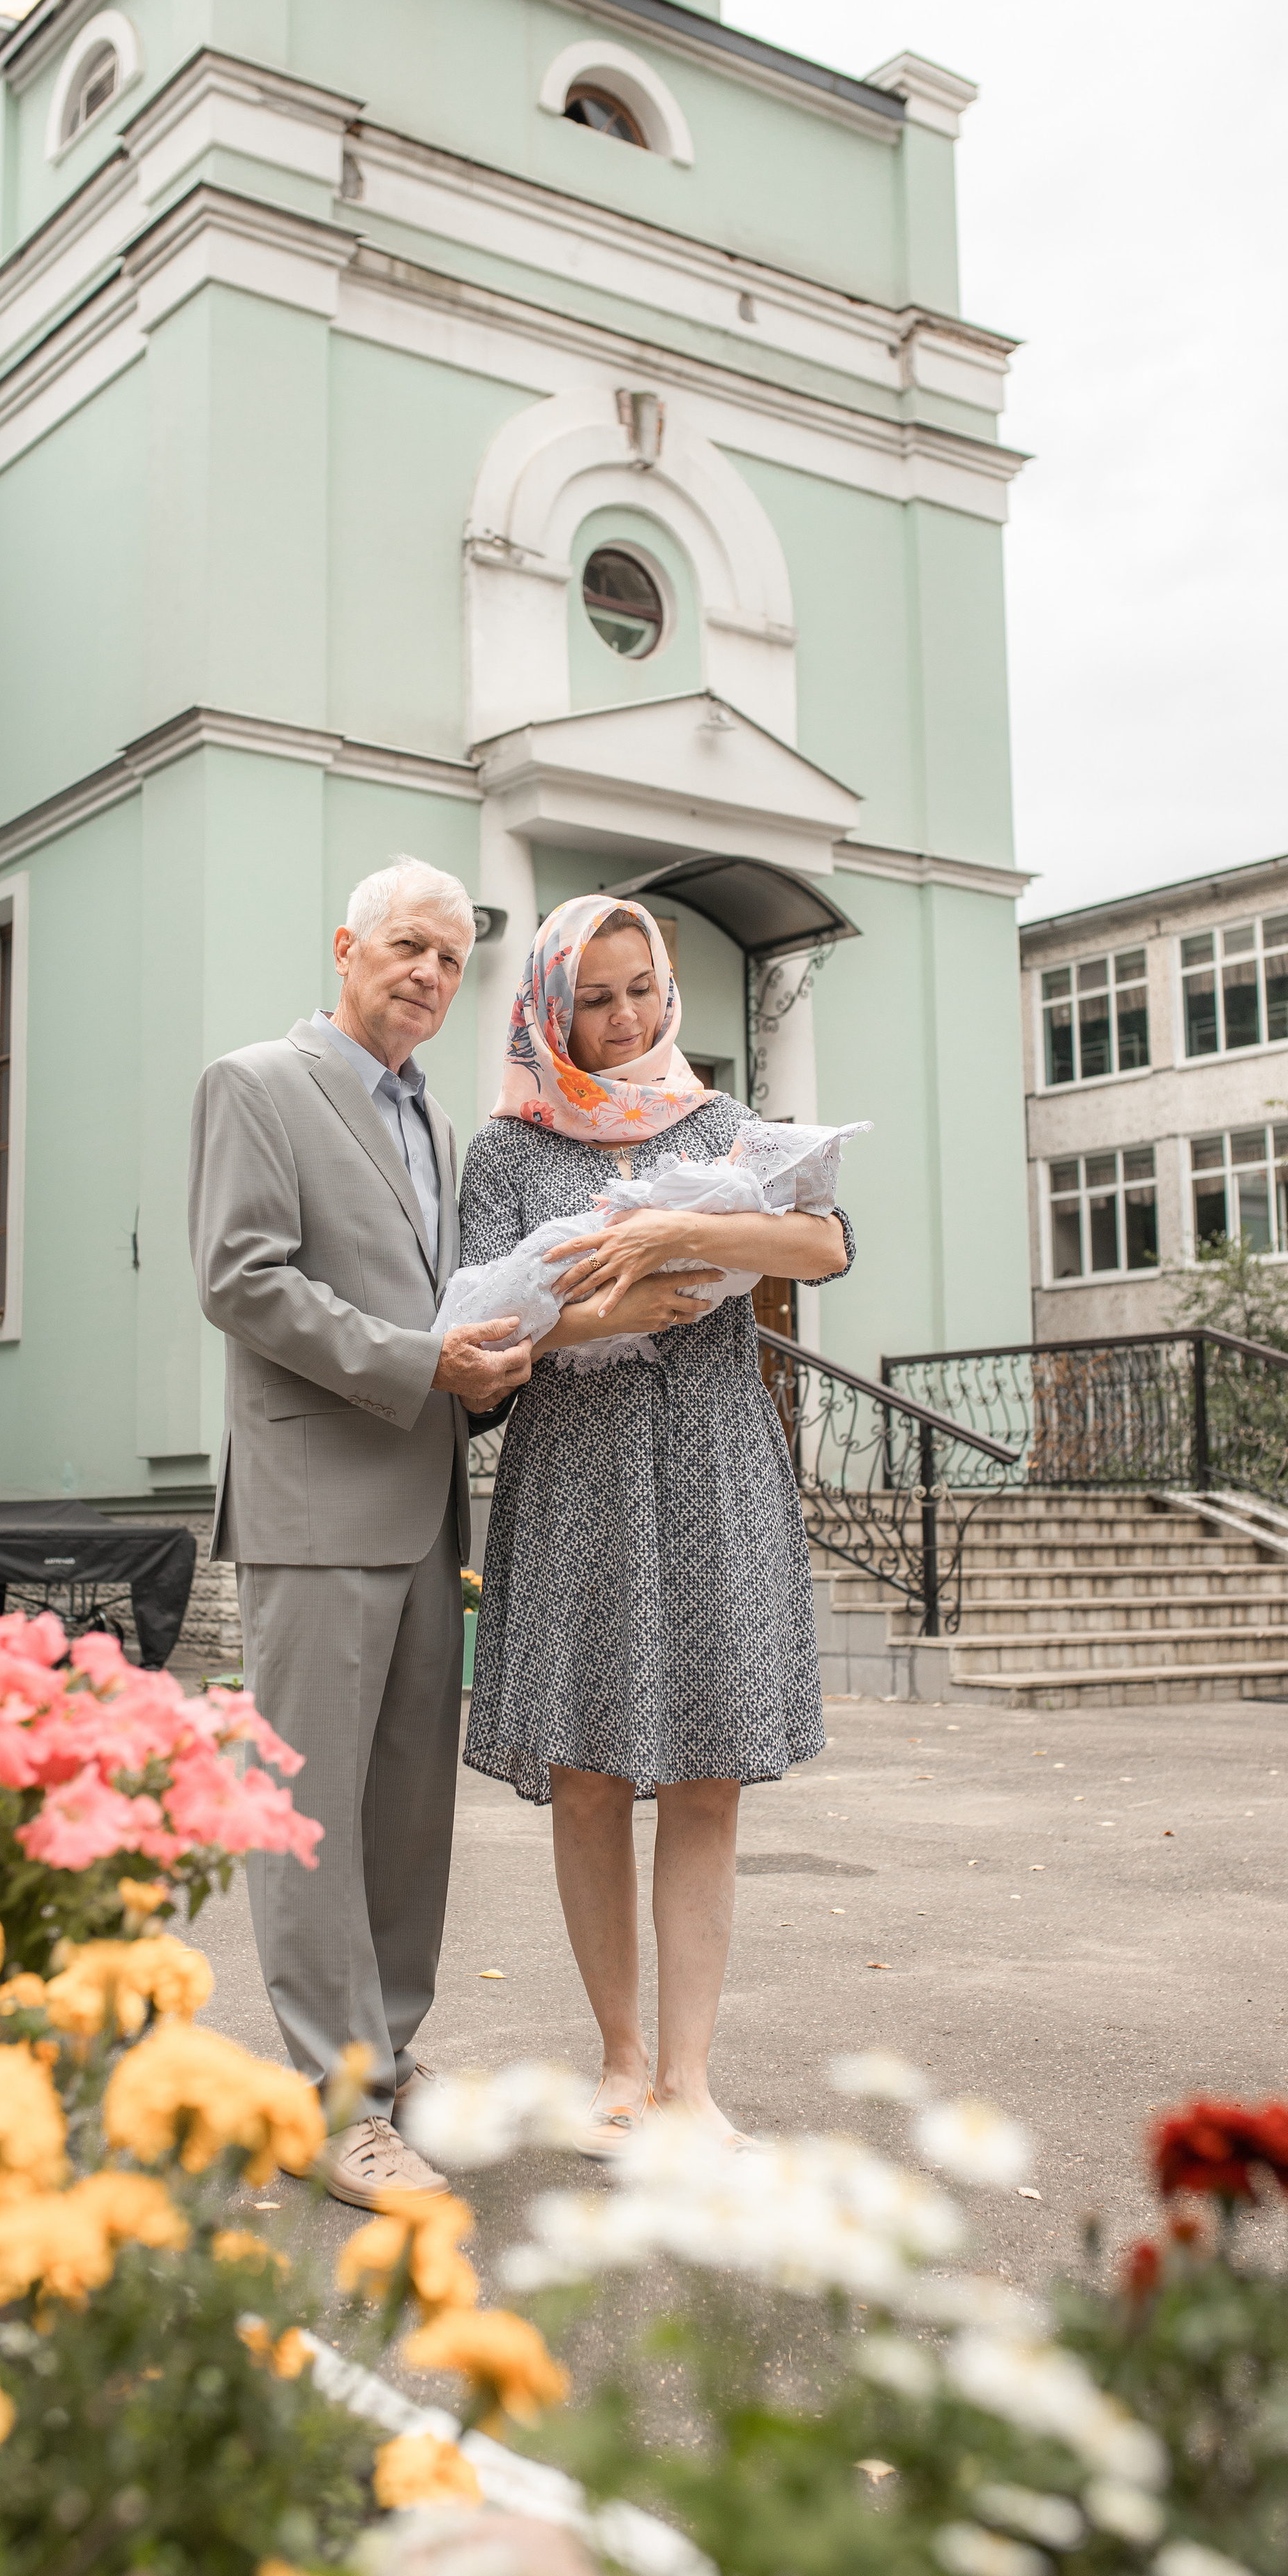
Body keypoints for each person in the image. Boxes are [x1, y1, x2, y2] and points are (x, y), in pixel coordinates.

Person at [458, 894, 853, 2150]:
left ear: (666, 989)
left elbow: (828, 1242)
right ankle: (620, 2063)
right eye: (595, 996)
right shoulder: (509, 1151)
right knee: (587, 1778)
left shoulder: (725, 1124)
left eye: (640, 990)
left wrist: (685, 1224)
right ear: (551, 1006)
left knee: (706, 1778)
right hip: (576, 1473)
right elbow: (472, 1325)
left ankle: (690, 2080)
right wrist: (593, 1315)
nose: (623, 1018)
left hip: (710, 1463)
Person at [188, 856, 532, 2209]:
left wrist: (485, 1367)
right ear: (344, 947)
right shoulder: (257, 1085)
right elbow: (239, 1277)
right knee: (310, 1814)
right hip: (313, 1507)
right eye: (405, 947)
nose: (428, 976)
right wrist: (415, 1367)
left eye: (449, 960)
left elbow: (431, 1303)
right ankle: (335, 2102)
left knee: (403, 1816)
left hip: (423, 1495)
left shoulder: (435, 1126)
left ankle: (385, 2059)